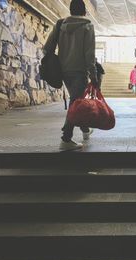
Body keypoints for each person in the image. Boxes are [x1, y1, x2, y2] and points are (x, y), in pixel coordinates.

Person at [43, 0, 98, 151]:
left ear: (71, 10)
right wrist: (93, 75)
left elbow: (47, 48)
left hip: (64, 71)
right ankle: (66, 138)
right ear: (85, 11)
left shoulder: (60, 24)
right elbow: (89, 54)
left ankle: (85, 130)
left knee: (76, 100)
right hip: (80, 71)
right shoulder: (88, 26)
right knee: (75, 103)